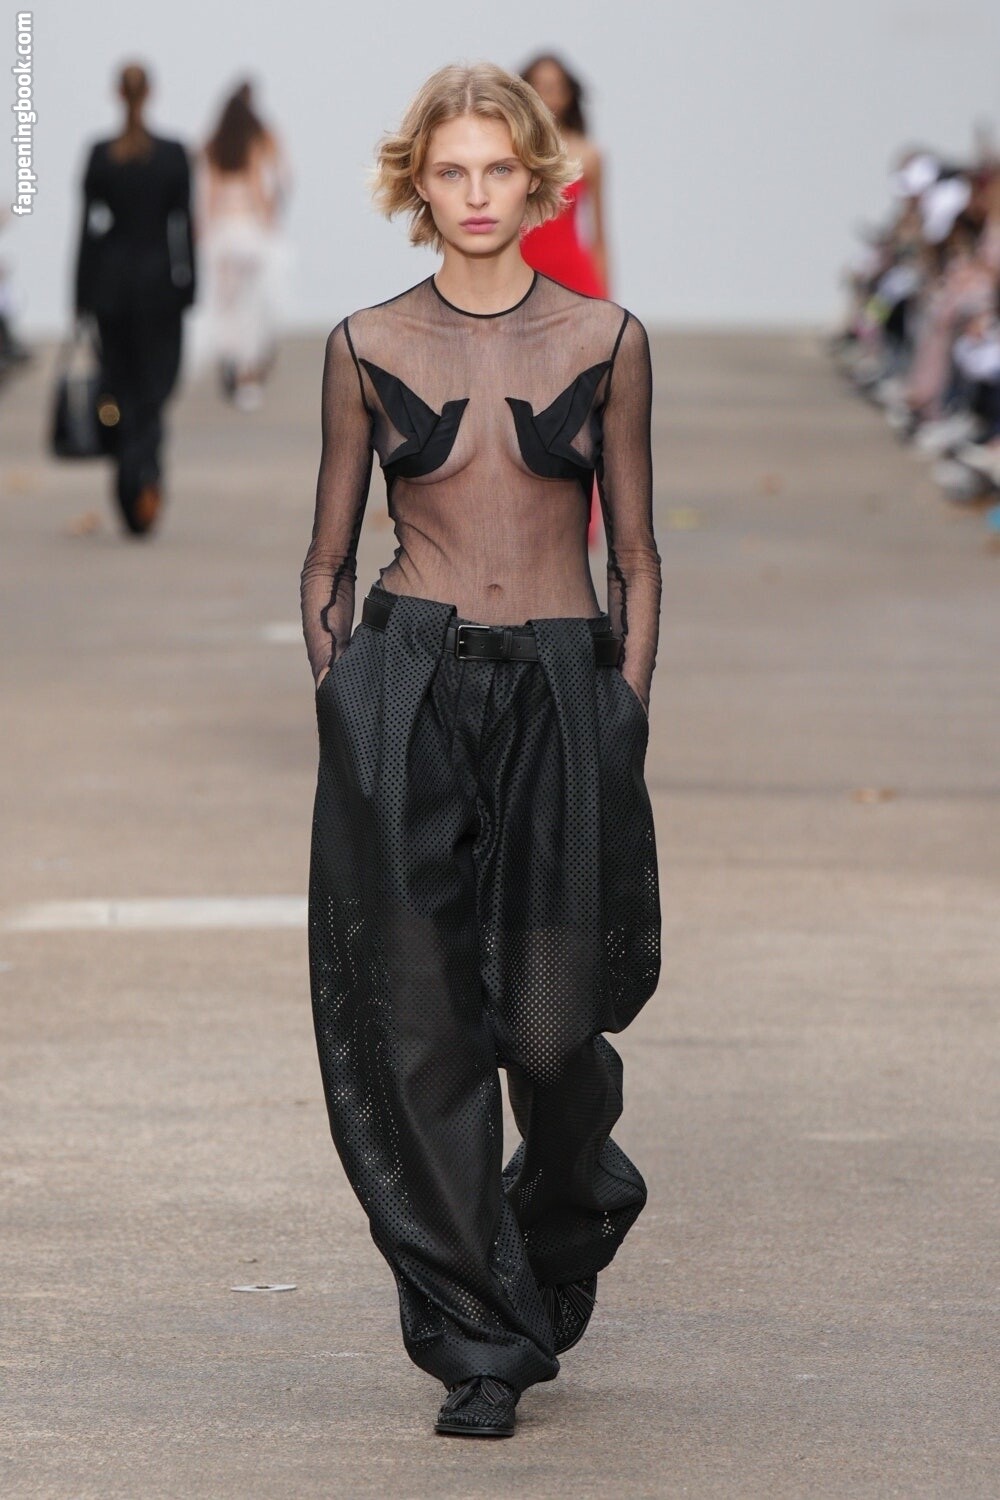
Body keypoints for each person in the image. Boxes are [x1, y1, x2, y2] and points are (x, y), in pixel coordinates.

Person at [301, 61, 661, 1440]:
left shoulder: (607, 340)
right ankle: (477, 1341)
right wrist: (350, 708)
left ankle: (567, 1207)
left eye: (496, 170)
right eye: (449, 171)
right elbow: (327, 561)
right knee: (423, 1027)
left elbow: (637, 557)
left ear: (535, 180)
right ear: (418, 183)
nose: (474, 195)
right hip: (412, 683)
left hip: (562, 693)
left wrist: (620, 715)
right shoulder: (365, 344)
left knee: (553, 1032)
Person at [74, 63, 196, 535]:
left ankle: (133, 482)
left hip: (112, 288)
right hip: (160, 287)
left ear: (117, 94)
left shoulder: (100, 155)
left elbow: (87, 233)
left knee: (122, 389)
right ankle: (143, 477)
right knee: (155, 390)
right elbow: (184, 226)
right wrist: (190, 283)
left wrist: (80, 296)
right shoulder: (173, 154)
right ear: (150, 93)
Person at [518, 53, 609, 546]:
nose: (547, 95)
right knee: (523, 399)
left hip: (574, 281)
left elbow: (600, 235)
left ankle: (578, 514)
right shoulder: (514, 153)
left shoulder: (589, 155)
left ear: (570, 93)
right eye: (537, 85)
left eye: (555, 86)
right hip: (523, 281)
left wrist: (607, 301)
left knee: (579, 404)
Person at [191, 81, 291, 410]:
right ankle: (248, 375)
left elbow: (209, 196)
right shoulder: (253, 145)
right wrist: (270, 224)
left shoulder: (213, 147)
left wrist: (202, 232)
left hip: (222, 234)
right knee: (251, 306)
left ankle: (231, 364)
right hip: (248, 232)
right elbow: (259, 189)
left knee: (226, 305)